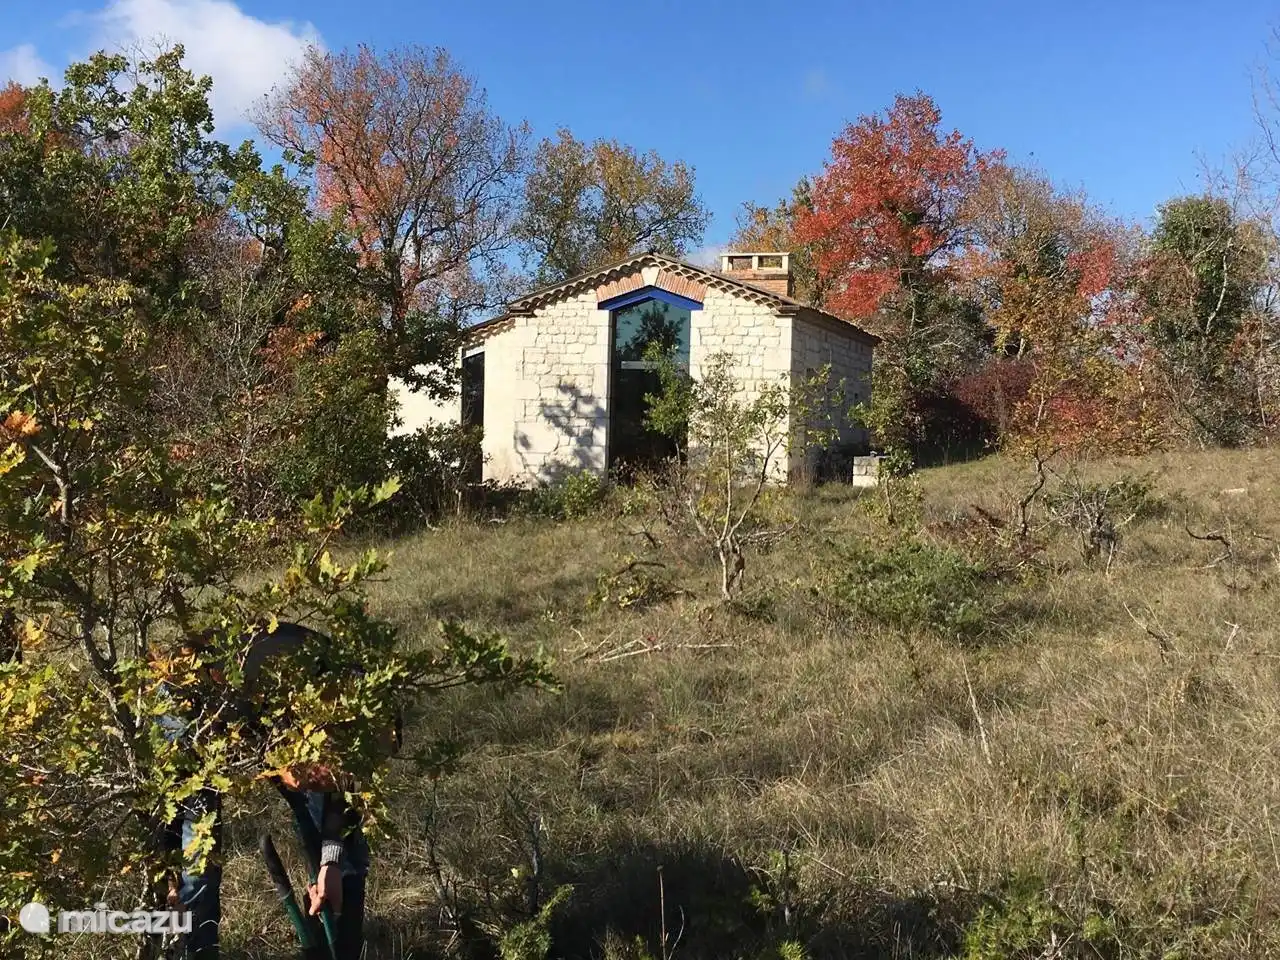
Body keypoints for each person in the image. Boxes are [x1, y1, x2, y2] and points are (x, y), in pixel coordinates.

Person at [162, 621, 387, 959]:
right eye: (312, 776)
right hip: (197, 710)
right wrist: (167, 875)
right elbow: (166, 803)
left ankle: (339, 944)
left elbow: (340, 790)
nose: (317, 785)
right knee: (197, 867)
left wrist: (331, 862)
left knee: (346, 853)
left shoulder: (350, 718)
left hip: (272, 711)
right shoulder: (198, 709)